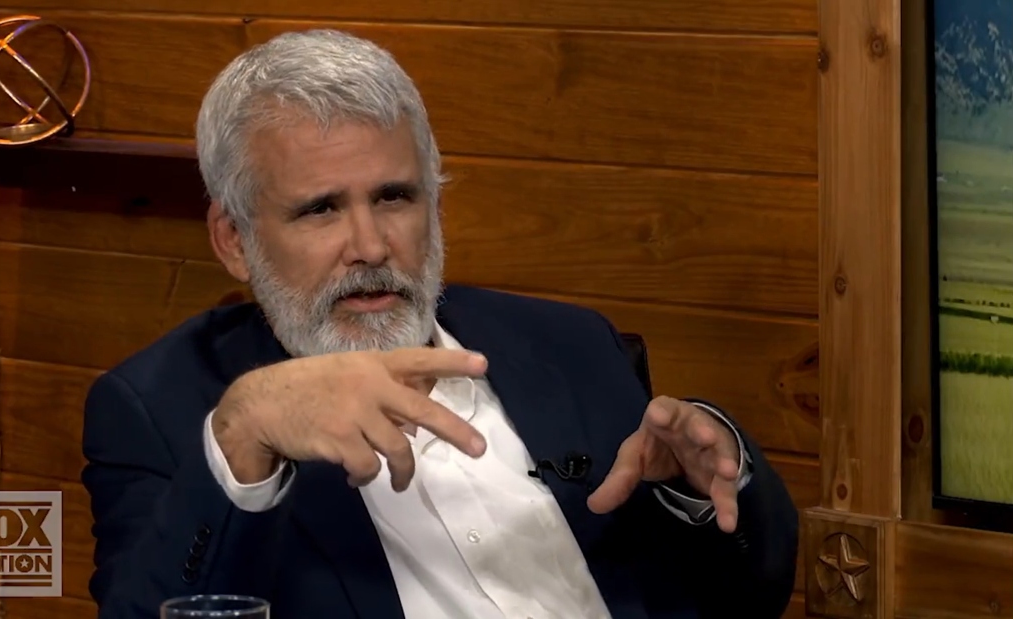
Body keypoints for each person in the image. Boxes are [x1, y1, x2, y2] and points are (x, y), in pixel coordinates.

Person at [81, 29, 799, 619]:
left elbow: (745, 596)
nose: (370, 246)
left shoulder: (574, 346)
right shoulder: (160, 410)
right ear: (234, 239)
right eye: (321, 209)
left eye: (394, 197)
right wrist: (243, 439)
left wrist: (702, 487)